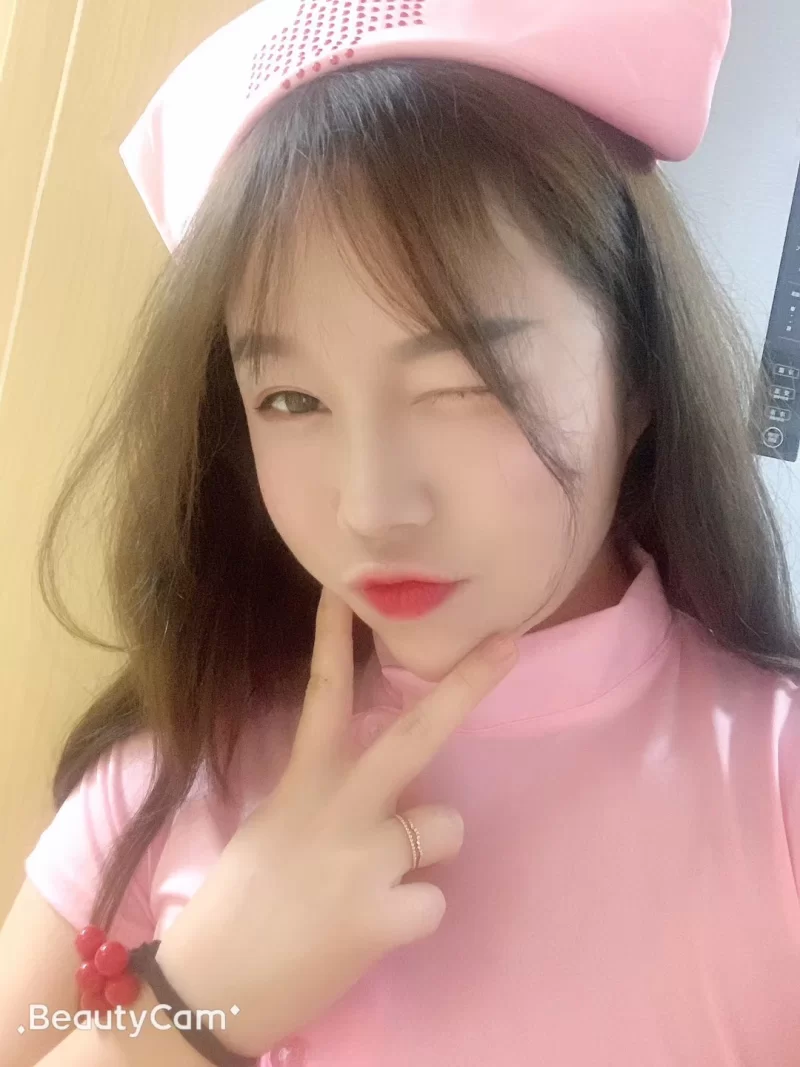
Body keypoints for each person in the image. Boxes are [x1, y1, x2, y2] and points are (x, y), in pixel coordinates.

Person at [3, 0, 800, 1064]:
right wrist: (191, 1011)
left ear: (639, 372)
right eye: (291, 399)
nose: (371, 507)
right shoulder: (168, 775)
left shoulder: (776, 791)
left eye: (466, 380)